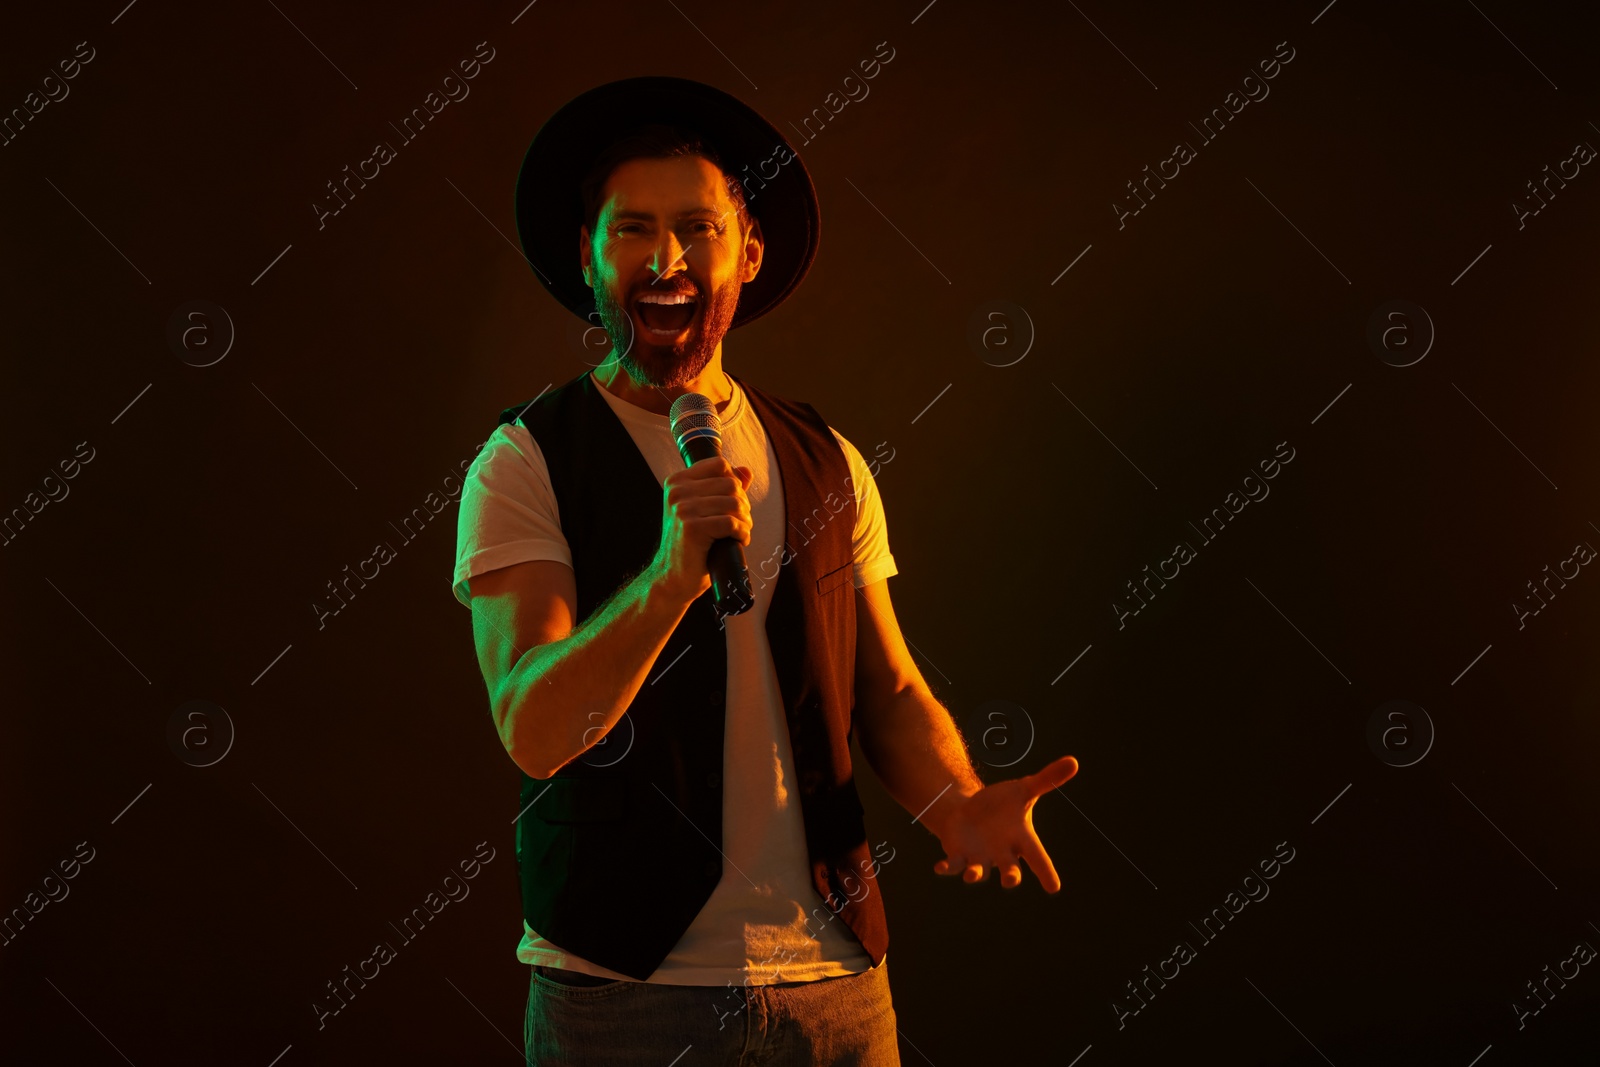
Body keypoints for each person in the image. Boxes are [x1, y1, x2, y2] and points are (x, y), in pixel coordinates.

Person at [452, 76, 1079, 1066]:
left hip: (835, 990)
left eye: (697, 228)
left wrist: (957, 801)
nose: (665, 259)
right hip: (620, 1000)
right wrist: (668, 578)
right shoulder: (525, 461)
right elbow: (533, 729)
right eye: (631, 232)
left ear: (745, 252)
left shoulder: (825, 457)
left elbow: (891, 689)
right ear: (589, 255)